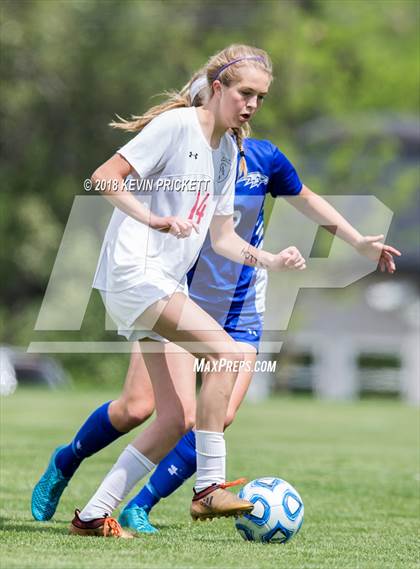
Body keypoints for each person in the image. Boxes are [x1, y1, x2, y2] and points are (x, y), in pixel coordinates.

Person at [31, 68, 401, 536]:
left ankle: (91, 515)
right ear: (218, 89)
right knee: (223, 356)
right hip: (136, 274)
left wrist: (269, 259)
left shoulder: (227, 153)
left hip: (166, 282)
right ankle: (208, 489)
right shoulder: (177, 126)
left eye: (261, 98)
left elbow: (223, 237)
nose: (251, 104)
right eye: (245, 92)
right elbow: (104, 177)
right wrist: (153, 219)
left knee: (174, 418)